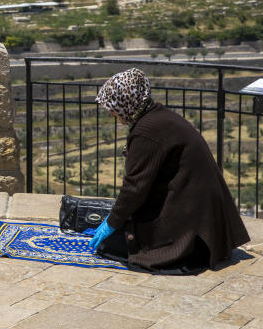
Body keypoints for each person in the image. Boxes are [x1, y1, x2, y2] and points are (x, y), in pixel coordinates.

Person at [88, 68, 249, 272]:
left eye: (112, 107)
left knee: (110, 244)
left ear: (125, 103)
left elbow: (134, 188)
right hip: (206, 223)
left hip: (192, 230)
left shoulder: (146, 131)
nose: (112, 113)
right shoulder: (159, 116)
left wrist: (112, 223)